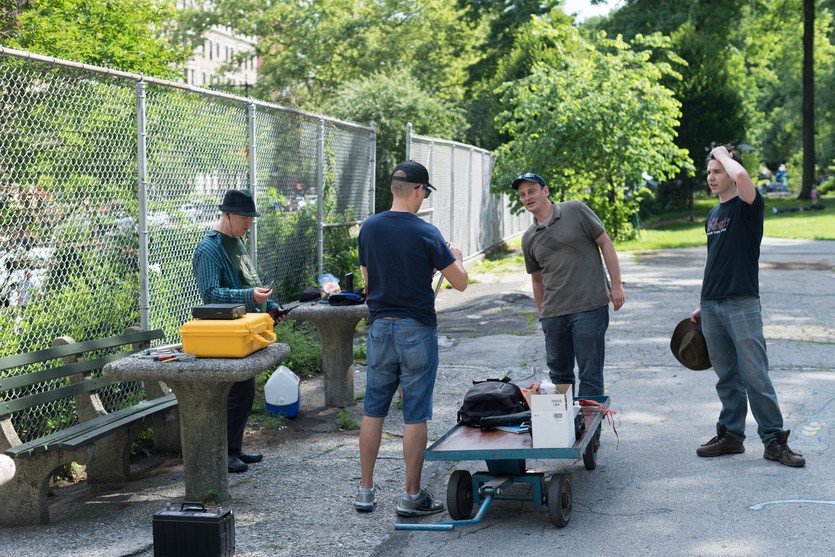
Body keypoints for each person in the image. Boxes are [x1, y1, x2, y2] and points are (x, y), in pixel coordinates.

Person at [355, 161, 468, 516]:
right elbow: (460, 282)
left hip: (379, 327)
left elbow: (369, 282)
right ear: (419, 190)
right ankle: (411, 495)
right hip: (416, 328)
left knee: (373, 410)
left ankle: (365, 491)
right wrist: (457, 258)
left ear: (393, 188)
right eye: (424, 192)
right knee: (414, 413)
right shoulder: (428, 232)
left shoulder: (369, 228)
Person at [690, 144, 804, 467]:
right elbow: (712, 260)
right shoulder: (714, 214)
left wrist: (722, 153)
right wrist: (702, 301)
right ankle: (731, 436)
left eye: (717, 171)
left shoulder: (747, 207)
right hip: (712, 305)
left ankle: (774, 441)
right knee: (726, 376)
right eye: (709, 172)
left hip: (741, 303)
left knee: (755, 375)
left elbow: (741, 175)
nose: (711, 177)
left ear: (730, 172)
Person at [193, 189, 285, 473]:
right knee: (233, 394)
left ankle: (234, 449)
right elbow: (210, 294)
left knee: (244, 392)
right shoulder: (209, 248)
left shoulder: (237, 241)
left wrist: (269, 305)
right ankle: (223, 453)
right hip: (223, 336)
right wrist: (251, 298)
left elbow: (251, 280)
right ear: (227, 214)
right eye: (244, 217)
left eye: (251, 218)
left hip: (244, 331)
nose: (249, 223)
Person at [513, 172, 625, 405]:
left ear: (546, 191)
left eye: (532, 191)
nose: (527, 198)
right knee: (559, 379)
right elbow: (536, 280)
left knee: (590, 376)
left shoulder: (575, 210)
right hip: (554, 315)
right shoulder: (528, 238)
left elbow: (605, 243)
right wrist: (543, 314)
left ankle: (590, 437)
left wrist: (616, 286)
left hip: (589, 308)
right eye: (522, 195)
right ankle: (565, 433)